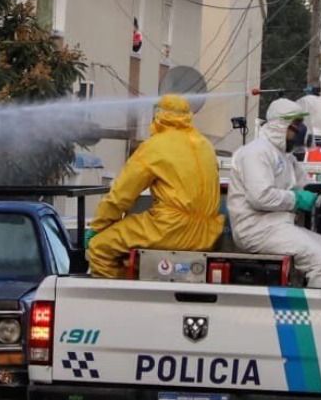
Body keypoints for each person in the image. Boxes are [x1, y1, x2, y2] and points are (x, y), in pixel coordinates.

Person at [228, 98, 321, 289]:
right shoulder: (255, 152)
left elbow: (313, 192)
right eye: (297, 124)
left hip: (279, 227)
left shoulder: (287, 159)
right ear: (280, 125)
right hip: (256, 229)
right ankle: (318, 316)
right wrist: (296, 199)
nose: (302, 131)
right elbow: (260, 197)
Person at [85, 95, 224, 278]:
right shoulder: (206, 146)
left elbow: (121, 195)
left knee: (100, 249)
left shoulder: (155, 146)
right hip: (207, 232)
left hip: (169, 228)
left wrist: (97, 227)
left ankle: (118, 301)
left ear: (159, 115)